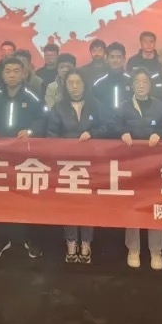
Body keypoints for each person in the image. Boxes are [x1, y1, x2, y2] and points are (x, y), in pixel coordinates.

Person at [0, 57, 47, 260]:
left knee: (27, 199)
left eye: (16, 71)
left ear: (23, 73)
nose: (12, 74)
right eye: (8, 71)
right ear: (2, 74)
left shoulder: (32, 95)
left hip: (25, 157)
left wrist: (30, 131)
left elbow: (42, 118)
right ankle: (2, 239)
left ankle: (30, 239)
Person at [113, 69, 162, 270]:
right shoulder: (122, 107)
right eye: (137, 82)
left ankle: (156, 251)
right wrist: (122, 132)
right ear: (131, 85)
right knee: (133, 205)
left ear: (150, 85)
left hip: (155, 165)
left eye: (145, 82)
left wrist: (161, 134)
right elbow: (111, 126)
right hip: (130, 165)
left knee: (155, 205)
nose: (141, 85)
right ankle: (133, 248)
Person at [46, 70, 108, 263]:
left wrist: (93, 134)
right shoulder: (58, 108)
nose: (74, 86)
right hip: (67, 165)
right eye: (70, 83)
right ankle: (71, 241)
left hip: (92, 164)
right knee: (70, 203)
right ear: (65, 86)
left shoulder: (96, 105)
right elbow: (51, 135)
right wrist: (69, 143)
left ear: (84, 84)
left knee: (88, 203)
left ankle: (87, 242)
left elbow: (108, 127)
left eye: (78, 82)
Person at [91, 42, 132, 112]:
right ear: (106, 59)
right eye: (112, 57)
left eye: (119, 57)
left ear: (124, 59)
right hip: (104, 118)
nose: (115, 60)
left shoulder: (132, 80)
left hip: (128, 118)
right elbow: (93, 106)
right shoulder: (98, 82)